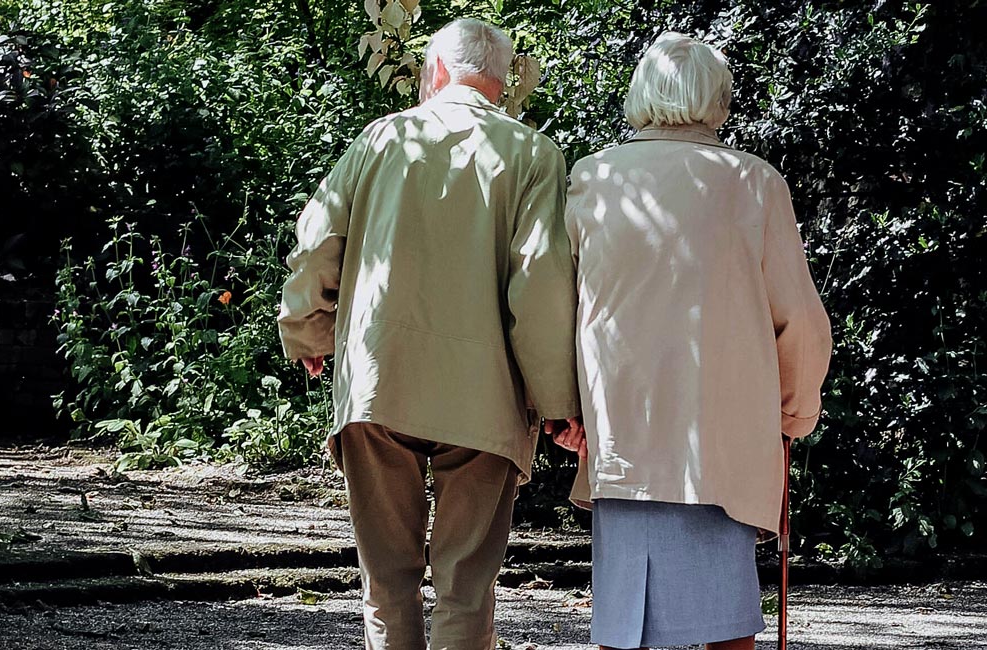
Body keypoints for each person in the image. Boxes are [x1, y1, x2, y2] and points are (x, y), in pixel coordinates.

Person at [276, 17, 582, 650]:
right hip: (484, 396)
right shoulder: (533, 154)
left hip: (379, 379)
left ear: (436, 71)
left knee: (386, 582)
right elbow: (542, 285)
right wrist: (557, 404)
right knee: (467, 589)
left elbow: (316, 245)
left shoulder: (381, 138)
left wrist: (310, 333)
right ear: (502, 84)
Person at [552, 32, 834, 650]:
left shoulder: (594, 179)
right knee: (727, 624)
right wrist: (791, 415)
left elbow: (557, 307)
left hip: (623, 430)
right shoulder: (754, 184)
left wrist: (562, 407)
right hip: (723, 436)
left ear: (641, 95)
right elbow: (802, 322)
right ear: (719, 98)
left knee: (623, 624)